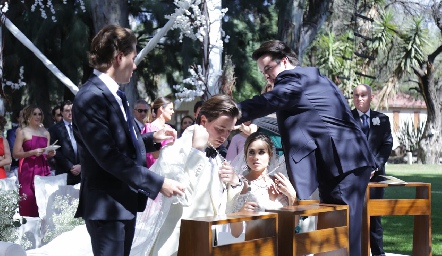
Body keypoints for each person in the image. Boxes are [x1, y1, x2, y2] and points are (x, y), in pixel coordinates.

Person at [236, 40, 376, 256]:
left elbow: (269, 101)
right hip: (346, 162)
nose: (267, 76)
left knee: (345, 236)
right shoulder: (316, 79)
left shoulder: (293, 79)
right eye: (263, 73)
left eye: (268, 69)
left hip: (343, 164)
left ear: (284, 61)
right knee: (338, 234)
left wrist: (232, 112)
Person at [72, 25, 184, 256]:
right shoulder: (90, 97)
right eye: (133, 58)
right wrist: (158, 183)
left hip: (123, 202)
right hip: (107, 206)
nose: (135, 65)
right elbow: (108, 157)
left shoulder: (117, 94)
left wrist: (151, 138)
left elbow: (121, 144)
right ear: (119, 57)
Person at [133, 94, 242, 256]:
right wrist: (196, 152)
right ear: (203, 121)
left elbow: (221, 207)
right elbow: (179, 196)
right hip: (177, 244)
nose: (225, 137)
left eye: (229, 131)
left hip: (209, 243)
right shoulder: (174, 150)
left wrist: (235, 182)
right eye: (220, 129)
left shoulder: (218, 158)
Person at [228, 132, 297, 237]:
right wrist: (240, 214)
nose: (256, 157)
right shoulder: (241, 184)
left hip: (282, 242)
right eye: (251, 152)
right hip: (256, 244)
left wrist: (292, 197)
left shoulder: (280, 182)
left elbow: (294, 223)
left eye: (261, 152)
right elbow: (235, 233)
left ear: (270, 155)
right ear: (245, 155)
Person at [352, 84, 393, 256]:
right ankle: (355, 251)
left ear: (371, 97)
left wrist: (374, 166)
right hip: (352, 176)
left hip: (376, 177)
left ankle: (378, 253)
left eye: (363, 95)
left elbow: (387, 144)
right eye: (356, 95)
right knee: (354, 216)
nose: (359, 98)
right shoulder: (346, 118)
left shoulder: (382, 119)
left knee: (375, 217)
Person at [13, 106, 56, 217]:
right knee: (28, 200)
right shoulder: (22, 132)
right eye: (35, 114)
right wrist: (31, 153)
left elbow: (45, 153)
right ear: (28, 116)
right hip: (28, 169)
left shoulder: (46, 132)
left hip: (43, 169)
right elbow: (15, 154)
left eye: (40, 114)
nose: (38, 116)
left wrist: (50, 154)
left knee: (44, 201)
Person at [49, 100, 81, 185]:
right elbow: (55, 150)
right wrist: (70, 166)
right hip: (64, 171)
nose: (70, 113)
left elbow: (87, 148)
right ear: (62, 113)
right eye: (67, 110)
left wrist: (81, 165)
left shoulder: (81, 126)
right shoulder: (54, 129)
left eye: (72, 110)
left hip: (82, 171)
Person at [141, 97, 175, 167]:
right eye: (170, 109)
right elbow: (154, 155)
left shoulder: (169, 128)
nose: (173, 112)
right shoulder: (150, 128)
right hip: (154, 170)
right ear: (162, 109)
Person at [6, 110, 22, 174]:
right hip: (17, 167)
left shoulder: (34, 132)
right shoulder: (12, 133)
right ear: (17, 118)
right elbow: (14, 151)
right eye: (22, 116)